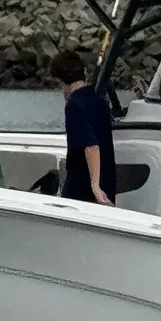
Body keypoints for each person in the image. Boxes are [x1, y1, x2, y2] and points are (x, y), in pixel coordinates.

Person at [50, 48, 117, 205]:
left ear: (59, 80)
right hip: (108, 186)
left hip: (83, 191)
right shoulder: (99, 101)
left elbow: (91, 146)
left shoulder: (74, 105)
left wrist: (95, 185)